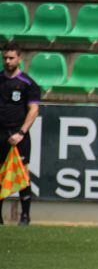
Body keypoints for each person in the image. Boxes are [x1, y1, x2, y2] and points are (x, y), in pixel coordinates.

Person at [0, 43, 40, 226]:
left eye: (11, 58)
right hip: (1, 134)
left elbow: (33, 110)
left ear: (19, 59)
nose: (7, 61)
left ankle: (25, 216)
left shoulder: (28, 83)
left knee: (23, 174)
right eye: (5, 58)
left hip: (18, 135)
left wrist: (21, 132)